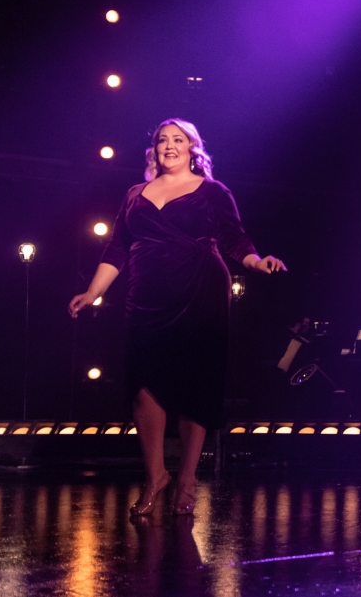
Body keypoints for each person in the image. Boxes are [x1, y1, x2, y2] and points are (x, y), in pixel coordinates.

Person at [69, 119, 286, 518]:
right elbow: (117, 248)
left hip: (200, 290)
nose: (169, 145)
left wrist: (257, 262)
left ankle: (186, 478)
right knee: (142, 384)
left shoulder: (213, 191)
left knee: (195, 384)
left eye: (178, 139)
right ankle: (155, 477)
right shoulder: (135, 194)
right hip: (145, 295)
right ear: (153, 149)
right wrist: (93, 292)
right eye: (162, 140)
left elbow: (236, 239)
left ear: (192, 148)